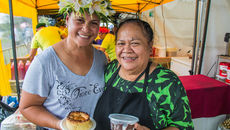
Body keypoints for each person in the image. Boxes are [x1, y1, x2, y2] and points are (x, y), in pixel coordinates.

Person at [19, 0, 115, 129]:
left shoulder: (101, 58)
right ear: (68, 19)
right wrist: (61, 125)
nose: (86, 29)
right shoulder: (45, 62)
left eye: (93, 23)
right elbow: (28, 107)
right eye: (79, 20)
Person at [93, 19, 194, 130]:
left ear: (150, 47)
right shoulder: (110, 70)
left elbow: (183, 126)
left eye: (135, 43)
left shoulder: (166, 81)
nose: (126, 50)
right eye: (121, 43)